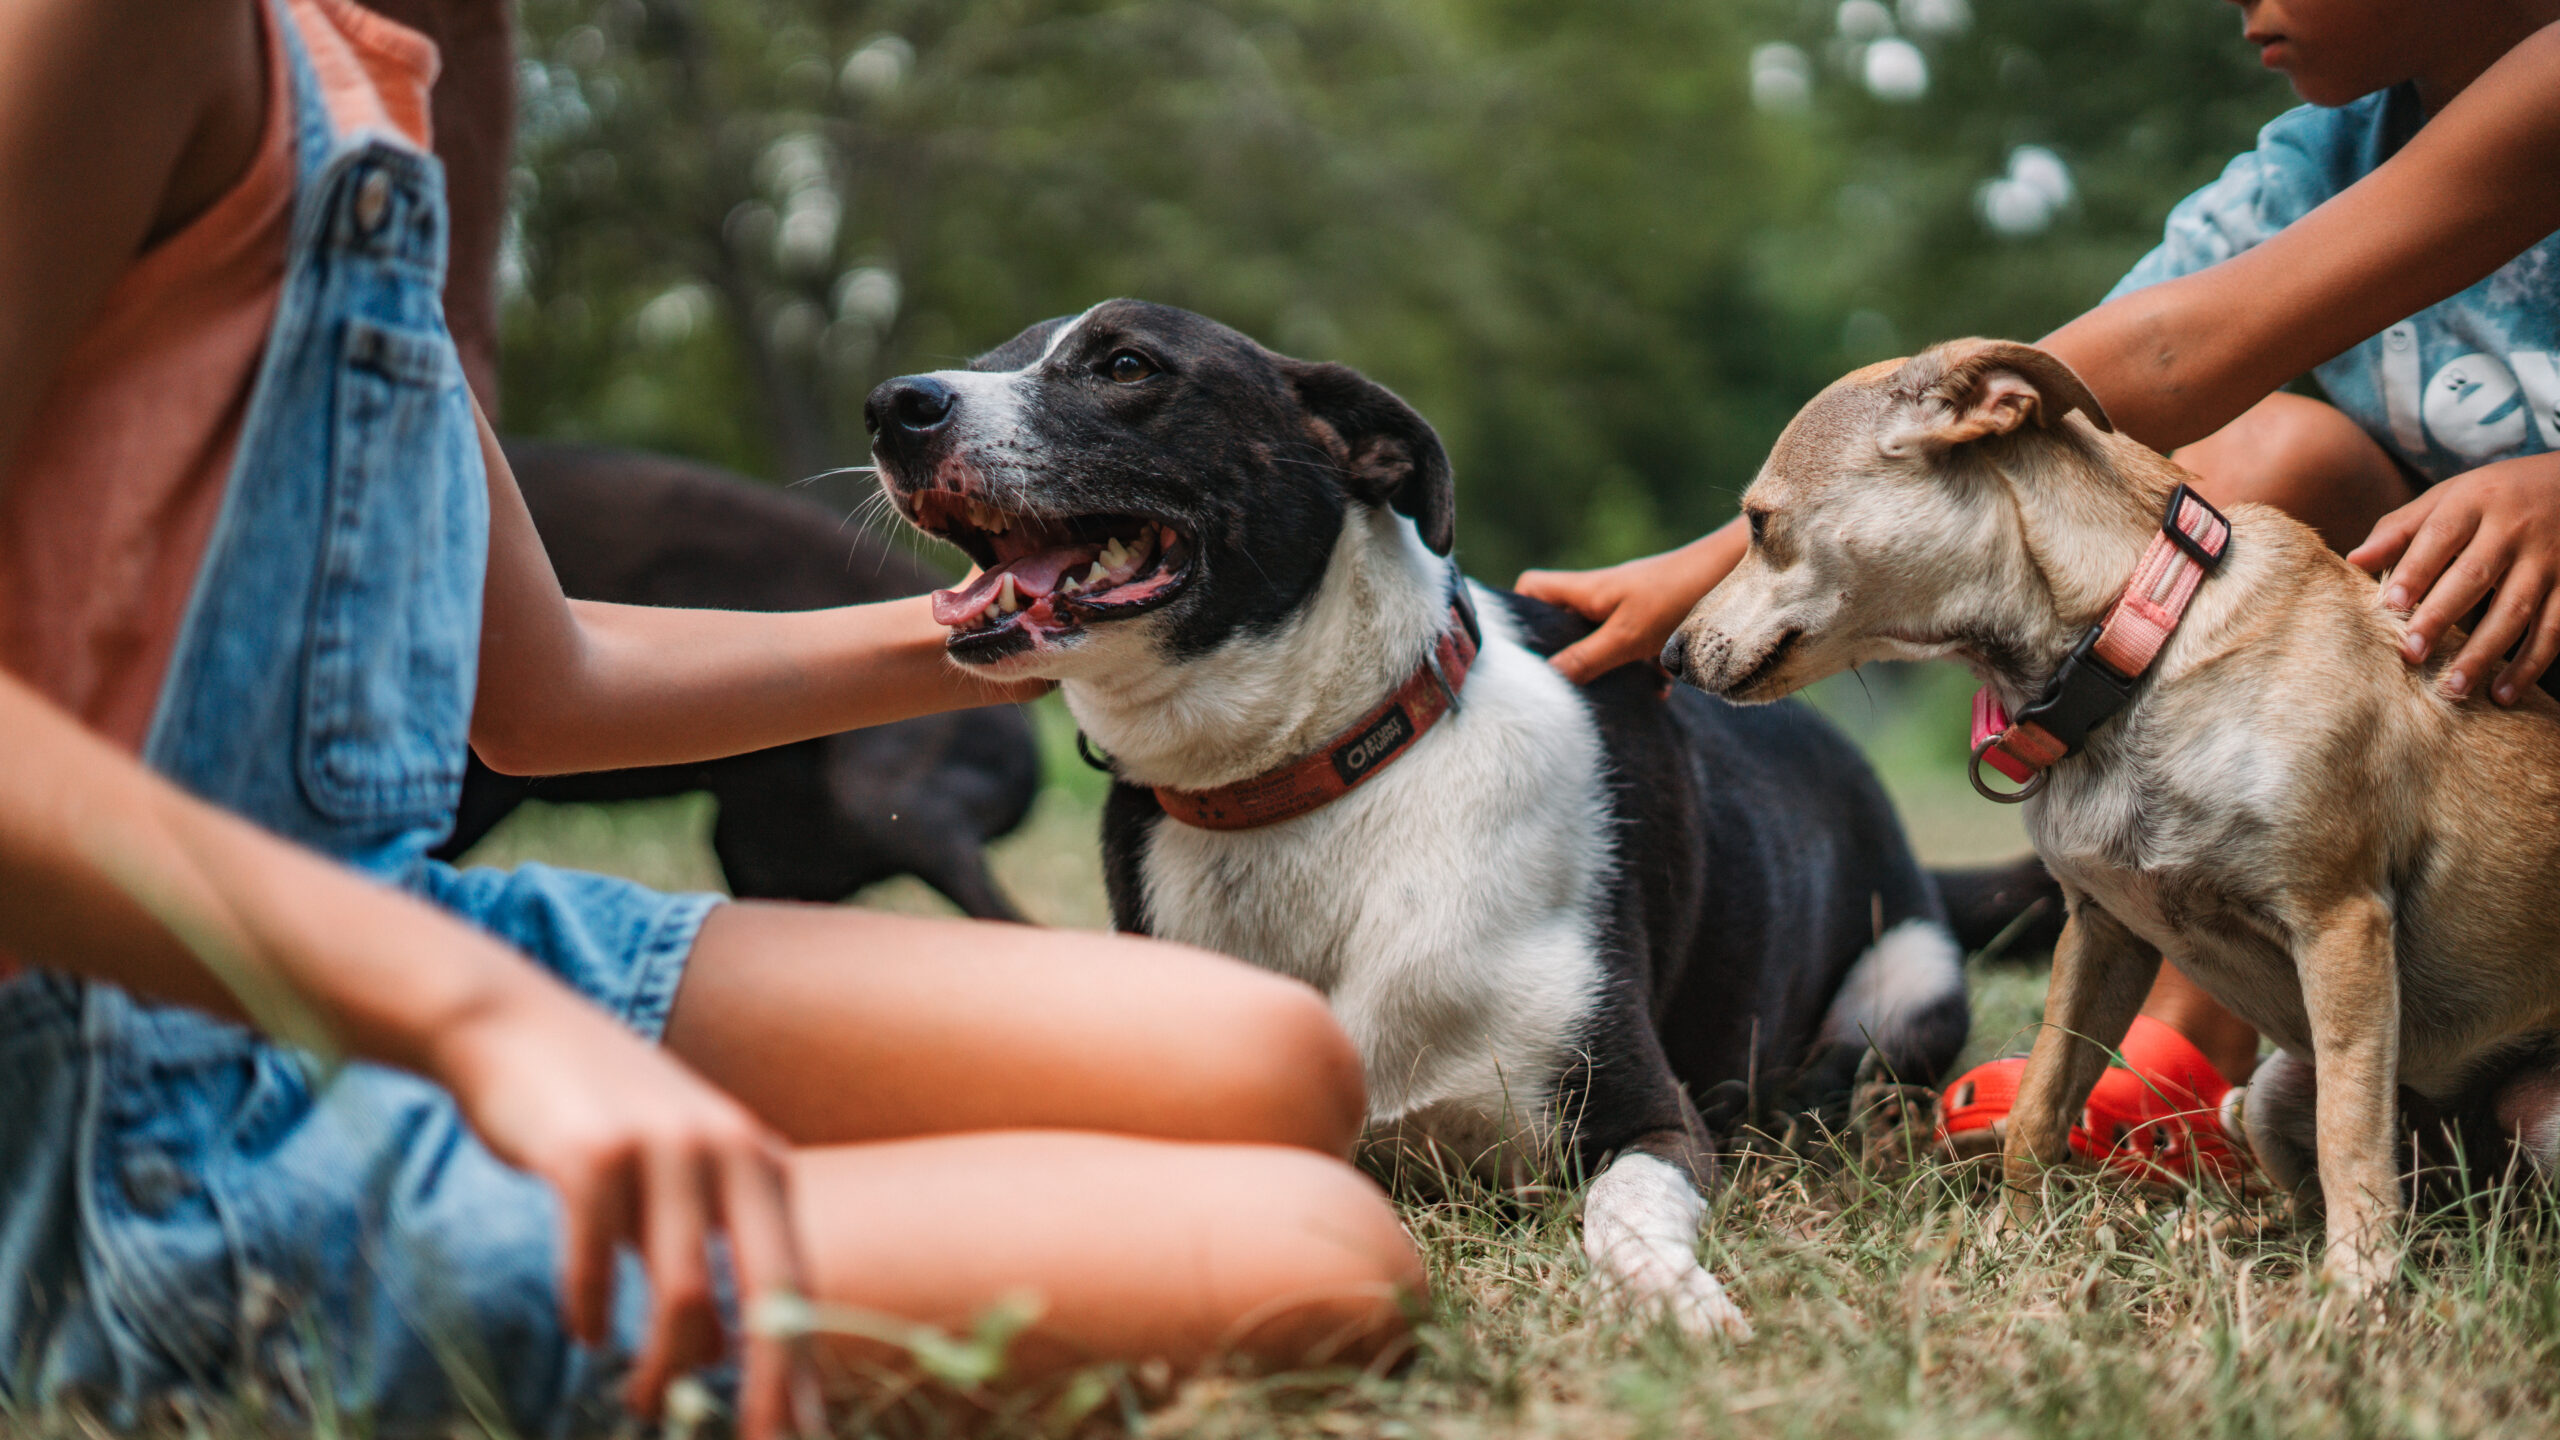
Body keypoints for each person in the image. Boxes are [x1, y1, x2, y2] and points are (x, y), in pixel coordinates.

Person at [0, 0, 1422, 1432]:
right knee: (1319, 1258)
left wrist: (1037, 625)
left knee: (1277, 1061)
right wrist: (480, 1023)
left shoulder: (367, 79)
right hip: (126, 1089)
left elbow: (538, 692)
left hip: (401, 933)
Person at [1520, 0, 2560, 1172]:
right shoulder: (2311, 168)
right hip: (2455, 695)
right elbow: (2116, 369)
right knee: (2264, 463)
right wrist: (1716, 564)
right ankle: (2181, 1055)